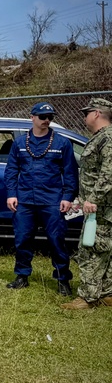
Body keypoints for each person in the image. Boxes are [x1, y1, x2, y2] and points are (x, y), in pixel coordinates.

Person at [3, 102, 78, 295]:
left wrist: (68, 196)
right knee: (22, 239)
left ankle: (63, 279)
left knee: (56, 240)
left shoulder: (62, 143)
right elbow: (11, 170)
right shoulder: (20, 143)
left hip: (52, 200)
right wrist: (11, 193)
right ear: (32, 117)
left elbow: (70, 173)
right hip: (25, 200)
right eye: (43, 117)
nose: (47, 121)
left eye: (50, 117)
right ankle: (22, 276)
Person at [62, 98, 112, 310]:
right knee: (106, 249)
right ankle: (107, 293)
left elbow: (108, 173)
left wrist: (93, 199)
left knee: (91, 249)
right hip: (102, 207)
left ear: (97, 114)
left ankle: (87, 297)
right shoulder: (101, 138)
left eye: (87, 113)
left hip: (101, 207)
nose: (84, 118)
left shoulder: (107, 138)